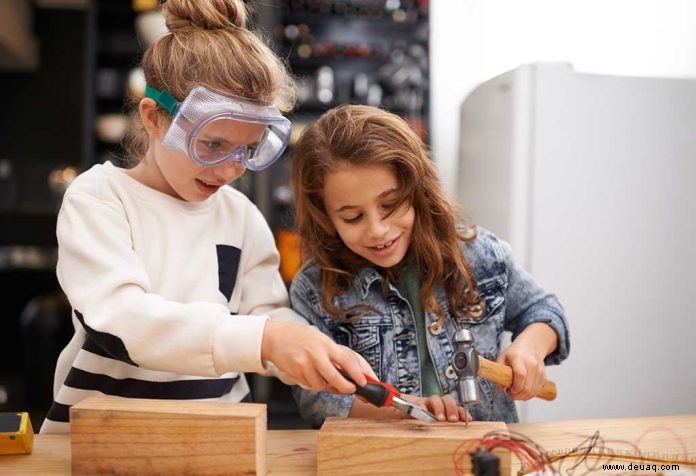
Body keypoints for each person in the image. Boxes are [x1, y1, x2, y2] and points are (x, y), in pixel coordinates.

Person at [41, 0, 370, 434]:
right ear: (155, 118)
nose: (231, 168)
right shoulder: (100, 199)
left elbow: (266, 314)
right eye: (212, 144)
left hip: (219, 434)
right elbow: (123, 320)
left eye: (248, 150)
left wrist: (307, 348)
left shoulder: (241, 216)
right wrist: (266, 339)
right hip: (97, 438)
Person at [290, 105, 570, 427]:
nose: (378, 230)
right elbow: (319, 399)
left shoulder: (479, 257)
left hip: (487, 453)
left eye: (390, 204)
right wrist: (407, 408)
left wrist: (531, 349)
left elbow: (545, 311)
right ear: (325, 217)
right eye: (352, 217)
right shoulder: (316, 289)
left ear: (417, 190)